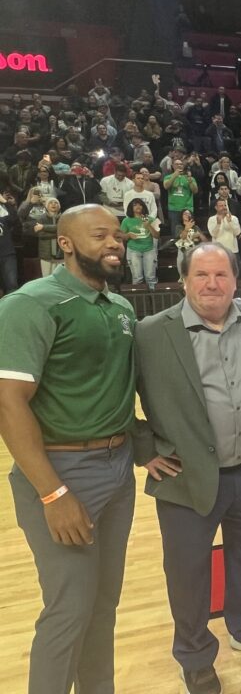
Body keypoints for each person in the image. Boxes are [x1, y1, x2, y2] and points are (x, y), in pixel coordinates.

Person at [133, 242, 241, 694]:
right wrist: (145, 449)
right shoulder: (151, 332)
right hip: (183, 476)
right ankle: (195, 654)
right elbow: (120, 393)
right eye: (201, 275)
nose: (212, 284)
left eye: (221, 275)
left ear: (236, 280)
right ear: (184, 280)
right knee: (187, 571)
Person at [0, 205, 136, 694]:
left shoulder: (119, 308)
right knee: (69, 609)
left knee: (103, 606)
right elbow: (8, 403)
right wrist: (53, 494)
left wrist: (145, 449)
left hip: (118, 471)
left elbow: (116, 393)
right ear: (65, 244)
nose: (114, 244)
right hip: (61, 471)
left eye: (118, 236)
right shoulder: (31, 303)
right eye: (100, 236)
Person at [120, 198, 161, 289]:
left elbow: (157, 236)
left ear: (143, 207)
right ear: (131, 208)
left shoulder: (151, 219)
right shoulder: (126, 221)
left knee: (151, 278)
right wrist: (129, 235)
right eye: (135, 205)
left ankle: (153, 301)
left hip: (149, 250)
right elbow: (121, 236)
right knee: (137, 278)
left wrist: (148, 225)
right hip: (133, 250)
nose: (138, 206)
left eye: (140, 204)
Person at [175, 208, 205, 280]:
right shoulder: (179, 227)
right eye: (185, 213)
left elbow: (205, 241)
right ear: (181, 216)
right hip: (183, 251)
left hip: (194, 251)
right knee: (182, 271)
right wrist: (187, 228)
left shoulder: (196, 227)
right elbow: (182, 237)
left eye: (189, 213)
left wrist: (199, 234)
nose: (187, 215)